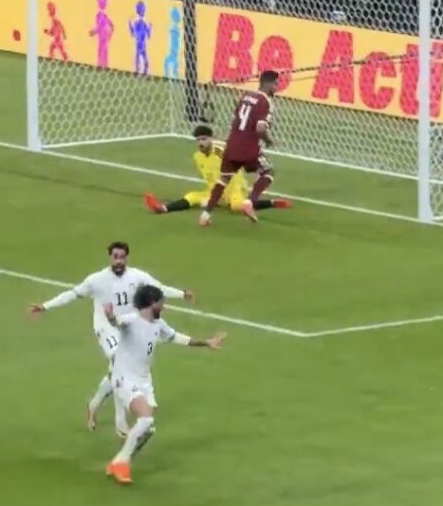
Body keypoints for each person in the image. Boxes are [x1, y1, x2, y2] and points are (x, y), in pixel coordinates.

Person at [27, 242, 194, 436]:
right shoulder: (97, 280)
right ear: (110, 258)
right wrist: (45, 306)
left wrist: (182, 294)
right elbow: (72, 294)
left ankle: (94, 404)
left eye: (122, 257)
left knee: (118, 370)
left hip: (128, 328)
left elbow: (159, 288)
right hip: (106, 328)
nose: (119, 261)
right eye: (115, 257)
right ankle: (120, 422)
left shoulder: (138, 277)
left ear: (127, 258)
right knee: (118, 361)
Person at [104, 284, 225, 485]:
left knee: (147, 429)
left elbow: (178, 338)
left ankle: (118, 461)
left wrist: (206, 342)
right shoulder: (132, 321)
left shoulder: (158, 325)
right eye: (161, 302)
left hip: (144, 380)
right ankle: (121, 464)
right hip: (125, 378)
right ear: (152, 303)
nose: (164, 306)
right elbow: (118, 322)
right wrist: (110, 318)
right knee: (145, 420)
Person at [144, 124, 291, 216]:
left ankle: (272, 203)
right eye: (198, 140)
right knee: (193, 196)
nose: (201, 143)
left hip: (234, 188)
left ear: (211, 139)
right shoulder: (197, 157)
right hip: (216, 192)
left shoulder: (221, 151)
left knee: (237, 206)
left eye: (204, 139)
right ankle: (163, 208)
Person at [200, 70, 278, 227]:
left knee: (223, 179)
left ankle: (205, 215)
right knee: (268, 172)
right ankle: (250, 201)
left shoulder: (245, 96)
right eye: (276, 84)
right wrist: (269, 140)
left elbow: (237, 119)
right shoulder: (266, 102)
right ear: (269, 84)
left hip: (232, 145)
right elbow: (260, 128)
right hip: (249, 148)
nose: (277, 87)